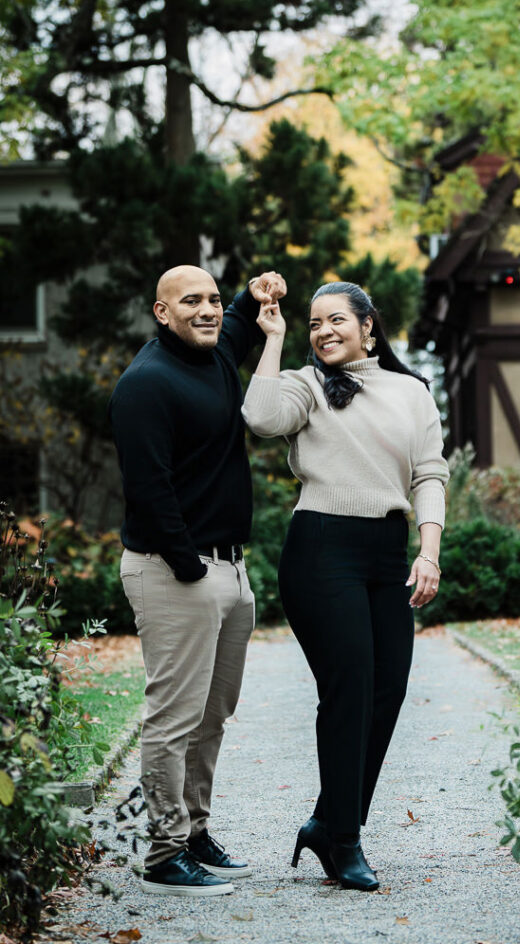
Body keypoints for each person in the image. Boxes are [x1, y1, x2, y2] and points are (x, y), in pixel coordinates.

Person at [241, 281, 449, 892]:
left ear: (368, 327)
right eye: (314, 324)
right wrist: (274, 338)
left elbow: (430, 473)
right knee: (351, 685)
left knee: (389, 688)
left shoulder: (411, 392)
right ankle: (346, 840)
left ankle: (328, 820)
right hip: (321, 550)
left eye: (336, 320)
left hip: (386, 553)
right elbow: (259, 416)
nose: (324, 331)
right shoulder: (306, 386)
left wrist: (428, 551)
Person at [108, 264, 286, 897]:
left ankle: (192, 831)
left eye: (213, 300)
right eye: (192, 302)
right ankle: (161, 854)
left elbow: (239, 316)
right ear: (162, 313)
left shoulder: (216, 353)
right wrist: (191, 569)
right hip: (174, 571)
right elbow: (149, 492)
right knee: (173, 718)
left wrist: (255, 291)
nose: (208, 310)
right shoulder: (145, 385)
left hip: (229, 569)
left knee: (212, 715)